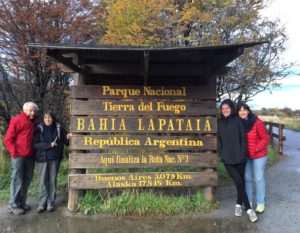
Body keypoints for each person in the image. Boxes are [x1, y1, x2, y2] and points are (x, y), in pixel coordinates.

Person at [217, 99, 257, 223]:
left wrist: (243, 152)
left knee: (241, 183)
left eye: (227, 108)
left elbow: (243, 139)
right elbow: (219, 140)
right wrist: (220, 153)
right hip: (227, 158)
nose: (225, 110)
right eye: (223, 108)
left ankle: (238, 205)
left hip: (240, 158)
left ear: (231, 108)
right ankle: (250, 210)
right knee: (239, 181)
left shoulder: (237, 120)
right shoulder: (218, 122)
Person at [33, 111, 71, 213]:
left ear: (53, 118)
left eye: (49, 117)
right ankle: (42, 203)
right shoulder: (39, 128)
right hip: (42, 159)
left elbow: (66, 142)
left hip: (55, 158)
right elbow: (35, 145)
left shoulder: (59, 127)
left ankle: (51, 202)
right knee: (43, 181)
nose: (47, 119)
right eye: (45, 117)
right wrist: (49, 145)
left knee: (52, 180)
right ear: (43, 118)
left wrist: (68, 138)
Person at [4, 102, 39, 215]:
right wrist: (15, 153)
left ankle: (22, 202)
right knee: (17, 180)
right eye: (30, 110)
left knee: (27, 180)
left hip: (30, 156)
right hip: (19, 156)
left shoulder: (36, 122)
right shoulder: (17, 120)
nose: (32, 113)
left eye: (34, 111)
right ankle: (13, 205)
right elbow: (8, 139)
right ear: (25, 110)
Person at [237, 103, 269, 214]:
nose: (242, 112)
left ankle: (260, 203)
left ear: (248, 111)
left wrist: (255, 148)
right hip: (246, 156)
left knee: (258, 178)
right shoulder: (237, 123)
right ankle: (249, 201)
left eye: (244, 110)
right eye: (240, 110)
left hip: (259, 155)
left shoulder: (257, 122)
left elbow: (265, 139)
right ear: (237, 112)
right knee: (247, 178)